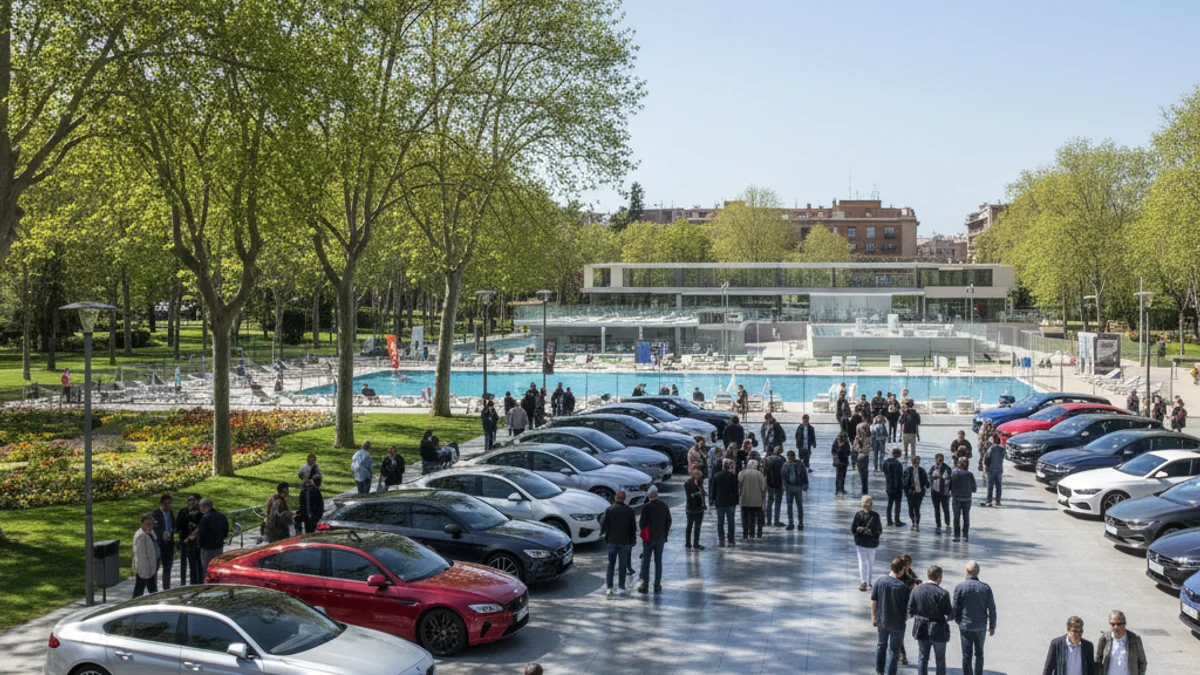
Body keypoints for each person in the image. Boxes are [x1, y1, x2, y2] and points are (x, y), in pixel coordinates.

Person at [953, 560, 997, 675]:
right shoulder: (985, 588)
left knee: (966, 655)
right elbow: (992, 609)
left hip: (966, 626)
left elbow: (955, 608)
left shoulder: (960, 587)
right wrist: (992, 626)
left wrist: (959, 621)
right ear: (978, 572)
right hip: (980, 626)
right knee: (979, 654)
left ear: (967, 571)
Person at [908, 565, 953, 675]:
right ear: (939, 577)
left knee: (923, 658)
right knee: (940, 659)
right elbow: (949, 614)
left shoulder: (916, 590)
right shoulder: (943, 593)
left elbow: (910, 610)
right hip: (939, 630)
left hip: (921, 629)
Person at [873, 557, 913, 675]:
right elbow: (909, 608)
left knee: (881, 645)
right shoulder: (903, 587)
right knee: (893, 651)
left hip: (882, 620)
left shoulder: (880, 582)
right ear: (901, 570)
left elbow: (874, 600)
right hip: (897, 623)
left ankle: (879, 670)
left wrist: (873, 617)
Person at [599, 490, 636, 596]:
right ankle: (621, 586)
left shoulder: (610, 510)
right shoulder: (629, 511)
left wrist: (604, 533)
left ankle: (609, 587)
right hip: (625, 542)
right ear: (624, 499)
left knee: (611, 565)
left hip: (612, 541)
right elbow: (633, 528)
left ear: (616, 497)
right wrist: (633, 541)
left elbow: (603, 523)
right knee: (622, 565)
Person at [637, 486, 671, 593]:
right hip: (660, 537)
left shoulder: (646, 507)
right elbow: (668, 521)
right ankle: (657, 585)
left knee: (646, 561)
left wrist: (645, 532)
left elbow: (642, 523)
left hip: (649, 539)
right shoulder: (664, 506)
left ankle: (645, 584)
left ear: (649, 496)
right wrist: (665, 534)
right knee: (658, 561)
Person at [1095, 609, 1147, 675]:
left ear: (1124, 624)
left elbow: (1142, 662)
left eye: (1119, 624)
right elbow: (1098, 660)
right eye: (1113, 624)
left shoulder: (1134, 640)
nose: (1116, 627)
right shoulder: (1104, 639)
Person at [852, 495, 883, 591]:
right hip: (864, 543)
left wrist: (872, 533)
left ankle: (867, 581)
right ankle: (864, 581)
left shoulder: (875, 515)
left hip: (869, 543)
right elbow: (853, 528)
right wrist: (859, 530)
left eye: (869, 502)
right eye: (866, 502)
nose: (867, 504)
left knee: (868, 563)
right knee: (864, 562)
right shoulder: (859, 515)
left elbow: (879, 530)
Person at [195, 497, 228, 580]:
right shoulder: (221, 516)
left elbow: (202, 533)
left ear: (204, 506)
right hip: (219, 546)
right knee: (217, 567)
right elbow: (226, 531)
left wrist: (199, 544)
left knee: (207, 569)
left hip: (207, 548)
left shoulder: (205, 518)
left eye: (201, 506)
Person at [151, 494, 176, 590]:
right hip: (158, 545)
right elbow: (152, 529)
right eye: (165, 504)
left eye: (169, 503)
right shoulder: (155, 514)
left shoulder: (171, 513)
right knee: (155, 569)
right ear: (161, 504)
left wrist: (172, 532)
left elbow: (173, 526)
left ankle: (166, 588)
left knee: (167, 568)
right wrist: (161, 534)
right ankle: (153, 589)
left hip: (169, 545)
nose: (167, 506)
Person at [712, 458, 739, 547]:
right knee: (731, 522)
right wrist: (736, 501)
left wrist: (713, 500)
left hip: (720, 502)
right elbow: (735, 490)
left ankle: (721, 540)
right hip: (730, 502)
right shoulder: (733, 476)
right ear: (728, 467)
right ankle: (731, 540)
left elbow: (714, 490)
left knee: (720, 522)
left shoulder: (716, 476)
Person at [177, 493, 202, 585]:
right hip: (185, 541)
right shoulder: (183, 511)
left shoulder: (201, 512)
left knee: (198, 563)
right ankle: (183, 583)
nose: (191, 502)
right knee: (184, 563)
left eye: (193, 500)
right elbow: (178, 526)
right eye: (189, 500)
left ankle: (198, 582)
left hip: (198, 543)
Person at [132, 514, 160, 597]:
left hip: (150, 567)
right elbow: (141, 556)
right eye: (148, 524)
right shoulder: (141, 536)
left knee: (141, 588)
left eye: (152, 524)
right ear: (142, 524)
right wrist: (148, 571)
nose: (150, 526)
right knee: (147, 589)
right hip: (145, 569)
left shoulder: (150, 532)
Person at [738, 458, 766, 539]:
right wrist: (764, 501)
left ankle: (745, 534)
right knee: (755, 518)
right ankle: (755, 534)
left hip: (745, 500)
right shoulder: (759, 474)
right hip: (757, 501)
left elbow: (739, 486)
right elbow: (763, 488)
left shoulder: (742, 473)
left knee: (745, 518)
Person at [951, 458, 977, 542]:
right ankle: (965, 535)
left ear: (958, 464)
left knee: (956, 517)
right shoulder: (970, 475)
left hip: (956, 498)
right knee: (966, 517)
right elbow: (974, 489)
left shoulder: (953, 474)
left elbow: (948, 487)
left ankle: (956, 535)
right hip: (967, 499)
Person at [782, 450, 808, 530]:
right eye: (788, 458)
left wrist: (805, 484)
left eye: (791, 458)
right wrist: (785, 487)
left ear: (794, 457)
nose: (790, 459)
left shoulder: (800, 464)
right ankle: (791, 523)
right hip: (789, 488)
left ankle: (800, 523)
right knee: (789, 506)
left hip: (798, 487)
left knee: (799, 506)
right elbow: (783, 477)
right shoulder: (785, 465)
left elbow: (804, 474)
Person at [904, 455, 930, 531]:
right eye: (915, 461)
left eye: (918, 461)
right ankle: (913, 521)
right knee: (911, 509)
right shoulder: (908, 470)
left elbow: (926, 483)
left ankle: (916, 523)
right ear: (912, 462)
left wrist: (927, 484)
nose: (916, 463)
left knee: (917, 509)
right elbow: (904, 482)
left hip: (919, 493)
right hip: (910, 493)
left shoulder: (922, 471)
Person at [684, 469, 707, 551]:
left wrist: (703, 493)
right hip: (691, 508)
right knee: (689, 526)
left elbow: (701, 491)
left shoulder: (700, 482)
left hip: (700, 508)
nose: (701, 478)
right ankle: (688, 543)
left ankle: (696, 544)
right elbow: (690, 496)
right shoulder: (688, 483)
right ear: (695, 476)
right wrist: (698, 493)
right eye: (700, 477)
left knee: (698, 527)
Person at [929, 453, 952, 534]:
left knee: (946, 509)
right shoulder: (933, 468)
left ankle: (947, 523)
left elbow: (950, 480)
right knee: (936, 509)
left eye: (941, 459)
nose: (939, 460)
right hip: (935, 491)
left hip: (944, 492)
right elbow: (929, 478)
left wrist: (950, 491)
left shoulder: (947, 468)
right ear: (935, 459)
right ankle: (938, 524)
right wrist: (933, 477)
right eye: (938, 459)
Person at [980, 433, 1004, 507]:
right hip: (999, 469)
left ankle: (989, 500)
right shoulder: (1002, 449)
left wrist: (985, 467)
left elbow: (986, 458)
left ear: (993, 440)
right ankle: (998, 500)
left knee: (990, 487)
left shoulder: (991, 448)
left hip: (990, 470)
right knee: (998, 486)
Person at [883, 448, 906, 527]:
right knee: (897, 504)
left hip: (889, 486)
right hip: (897, 487)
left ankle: (889, 520)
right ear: (898, 455)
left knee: (889, 504)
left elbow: (885, 472)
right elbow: (899, 477)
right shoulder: (898, 464)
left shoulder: (886, 462)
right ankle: (897, 520)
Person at [763, 446, 785, 526]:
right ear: (781, 451)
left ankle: (768, 521)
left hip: (770, 483)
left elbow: (764, 472)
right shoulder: (782, 460)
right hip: (779, 484)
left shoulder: (767, 459)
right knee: (777, 503)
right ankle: (776, 521)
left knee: (769, 502)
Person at [855, 420, 872, 495]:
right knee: (865, 474)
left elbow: (854, 448)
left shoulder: (857, 438)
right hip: (865, 456)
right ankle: (865, 490)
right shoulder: (868, 438)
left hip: (859, 456)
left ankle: (864, 490)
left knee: (862, 474)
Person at [832, 431, 852, 496]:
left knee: (843, 475)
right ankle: (837, 489)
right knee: (838, 476)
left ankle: (842, 488)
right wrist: (838, 452)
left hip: (844, 461)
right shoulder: (836, 442)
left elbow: (849, 452)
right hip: (838, 461)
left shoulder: (846, 443)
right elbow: (833, 451)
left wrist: (845, 453)